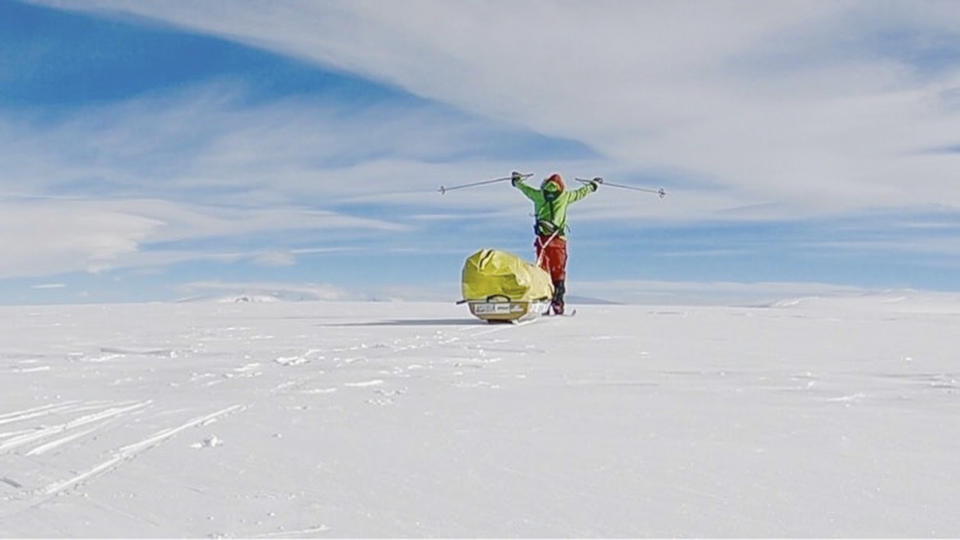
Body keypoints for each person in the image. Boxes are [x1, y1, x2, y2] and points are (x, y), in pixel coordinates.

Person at [511, 171, 601, 315]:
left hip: (542, 240)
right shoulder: (565, 196)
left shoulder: (539, 195)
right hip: (558, 240)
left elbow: (525, 189)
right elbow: (581, 193)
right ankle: (558, 302)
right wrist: (593, 185)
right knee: (558, 271)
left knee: (543, 270)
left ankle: (544, 300)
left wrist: (516, 181)